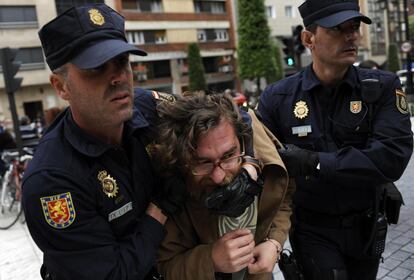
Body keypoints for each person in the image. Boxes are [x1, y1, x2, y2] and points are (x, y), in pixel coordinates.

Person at [22, 4, 182, 280]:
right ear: (61, 87)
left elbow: (222, 119)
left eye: (122, 61)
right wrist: (160, 208)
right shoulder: (52, 181)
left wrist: (248, 163)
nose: (118, 77)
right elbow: (111, 274)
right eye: (96, 68)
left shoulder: (146, 107)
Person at [258, 0, 413, 279]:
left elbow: (392, 157)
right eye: (337, 29)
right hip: (312, 229)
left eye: (353, 27)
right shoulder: (278, 98)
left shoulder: (384, 87)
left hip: (365, 224)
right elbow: (265, 167)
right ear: (308, 39)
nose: (351, 35)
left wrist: (315, 163)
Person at [153, 93, 294, 280]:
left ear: (243, 142)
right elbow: (166, 267)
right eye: (203, 163)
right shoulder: (175, 191)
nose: (218, 177)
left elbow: (282, 195)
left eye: (228, 156)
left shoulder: (260, 148)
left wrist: (274, 242)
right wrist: (210, 259)